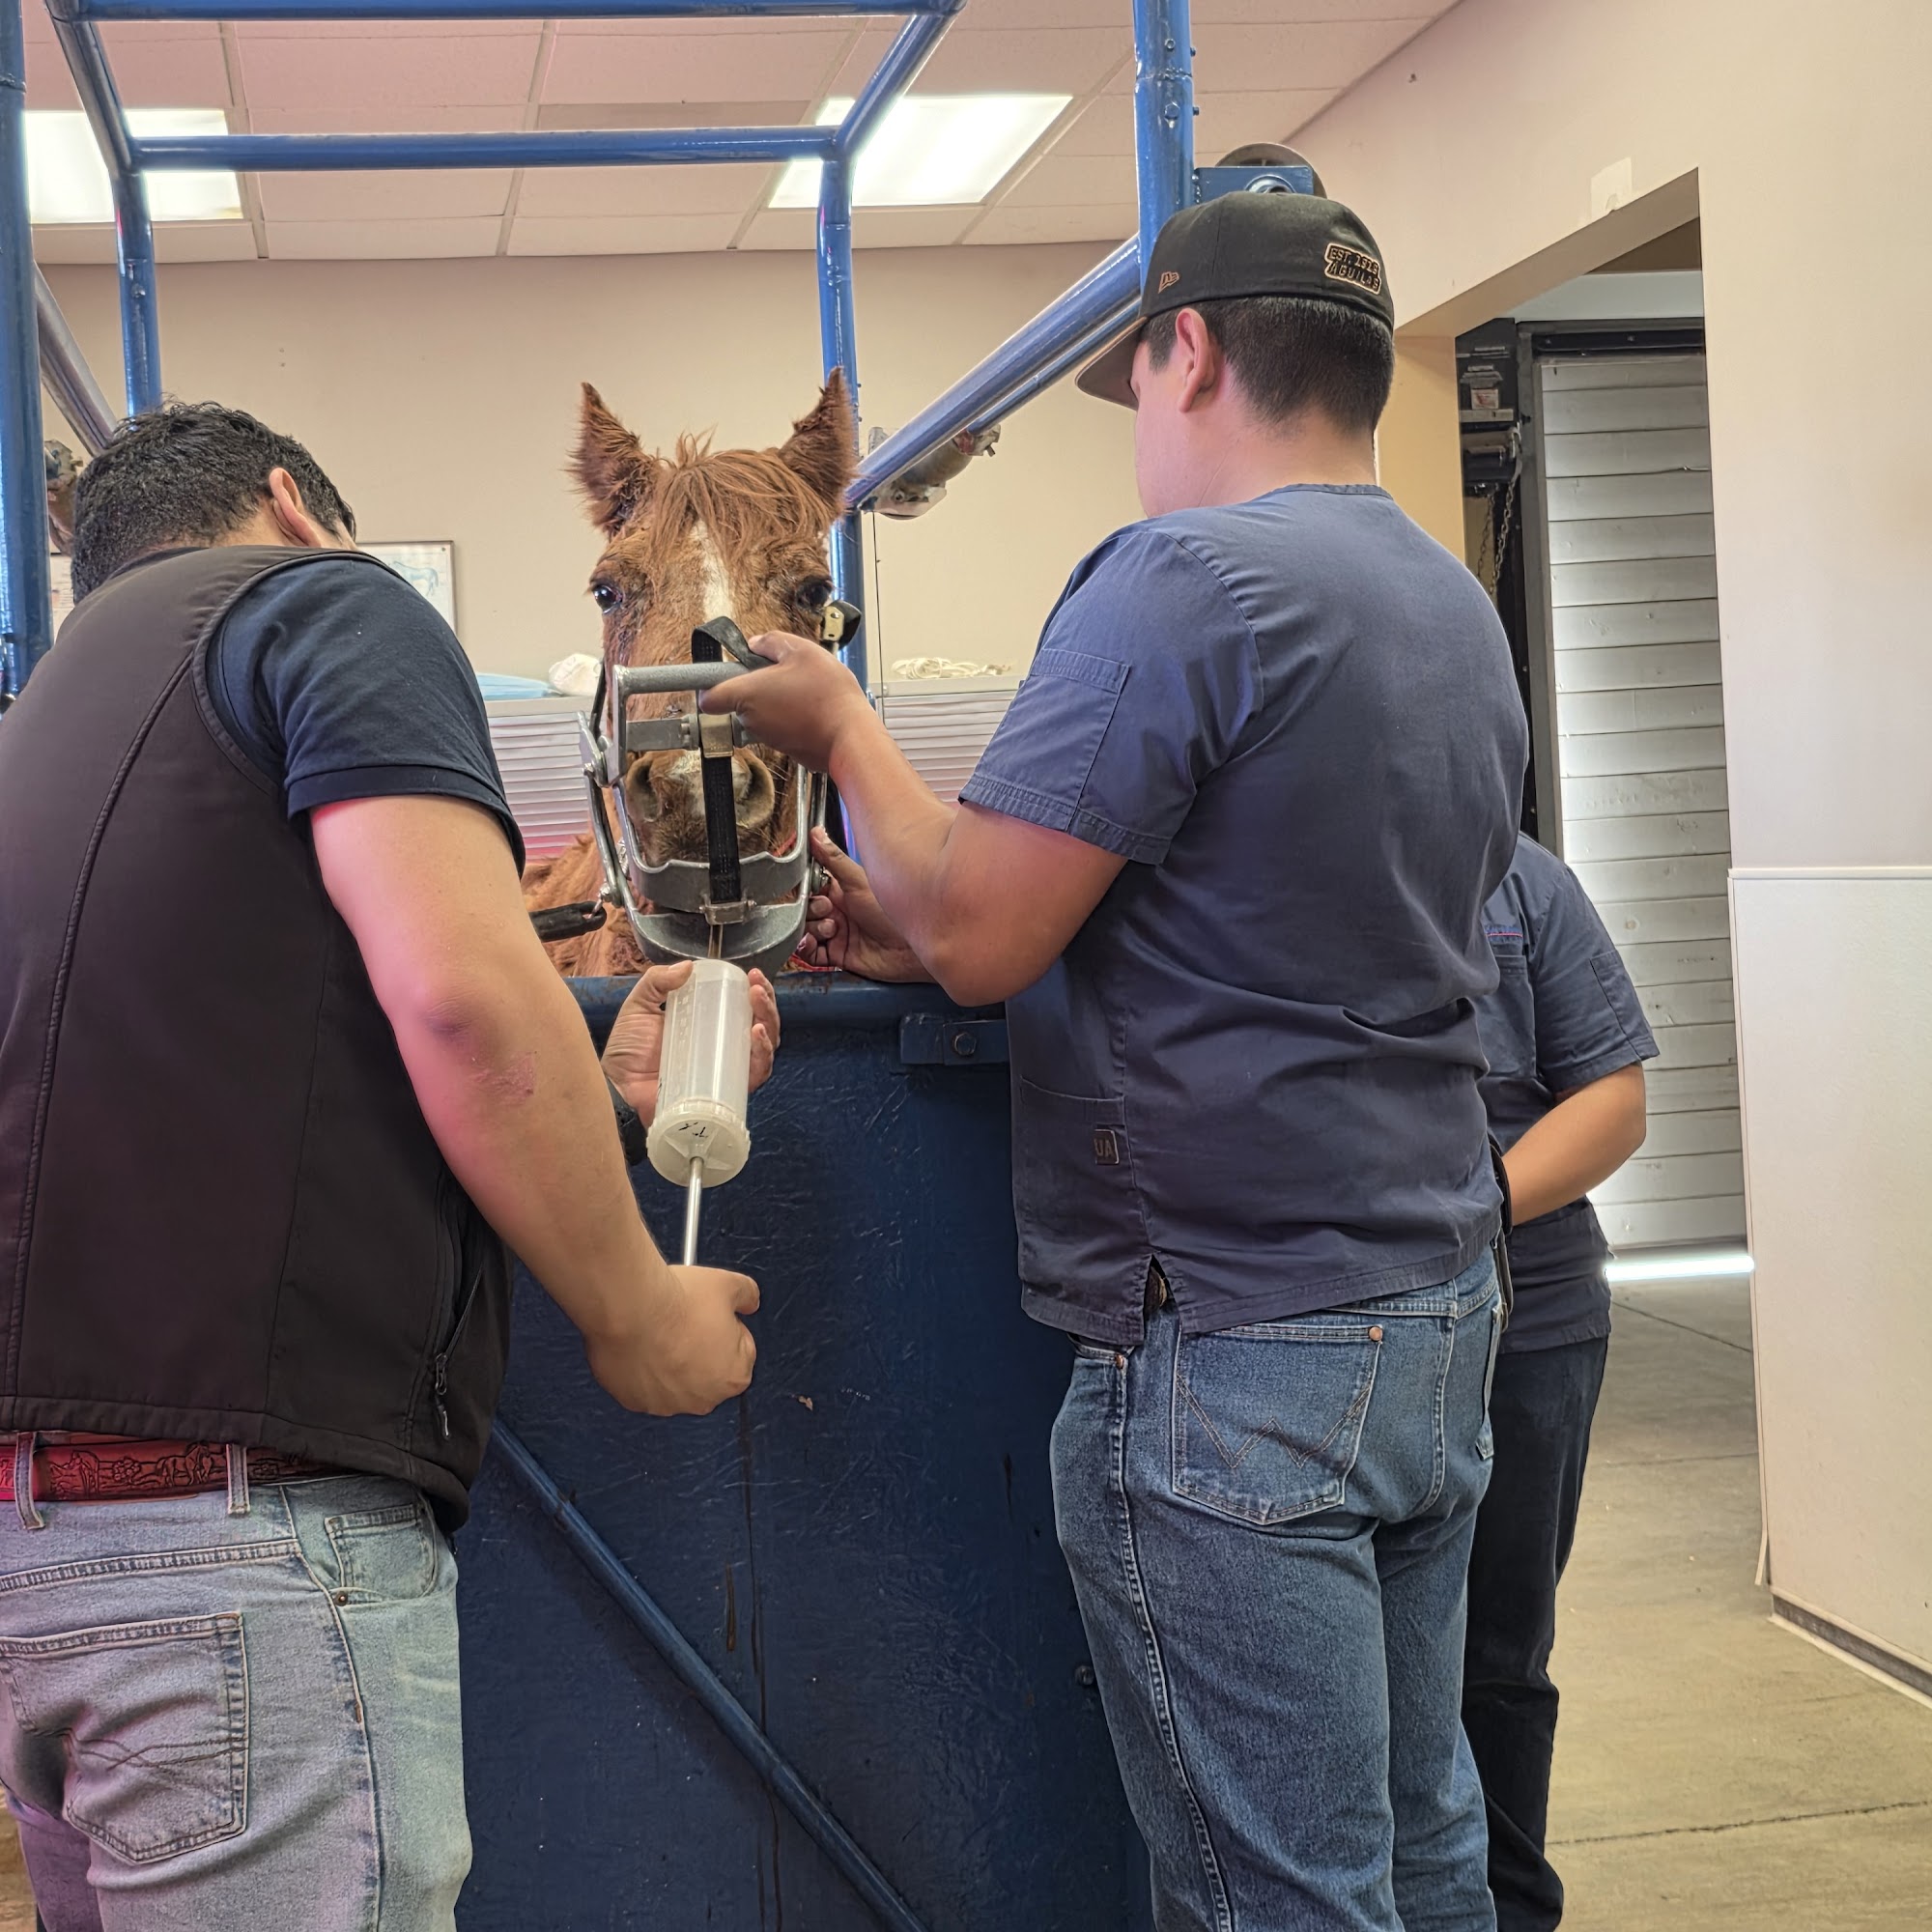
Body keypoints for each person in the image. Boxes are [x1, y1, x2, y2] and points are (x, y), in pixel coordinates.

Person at [708, 191, 1527, 1931]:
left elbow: (994, 931)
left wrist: (843, 727)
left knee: (1272, 1893)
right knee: (1417, 1836)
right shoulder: (1445, 604)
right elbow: (1244, 916)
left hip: (1236, 1354)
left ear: (1190, 351)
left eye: (1140, 386)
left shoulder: (1182, 580)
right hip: (1431, 1309)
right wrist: (924, 911)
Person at [0, 403, 777, 1931]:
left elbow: (238, 1054)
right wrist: (634, 1310)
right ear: (295, 505)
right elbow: (459, 998)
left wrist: (584, 1055)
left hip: (45, 1566)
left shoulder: (46, 725)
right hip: (240, 1564)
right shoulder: (325, 603)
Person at [1464, 835, 1658, 1930]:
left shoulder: (1524, 884)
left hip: (1528, 1319)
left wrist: (1460, 1208)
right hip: (1336, 1311)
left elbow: (1612, 1101)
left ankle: (1506, 1907)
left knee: (1497, 1655)